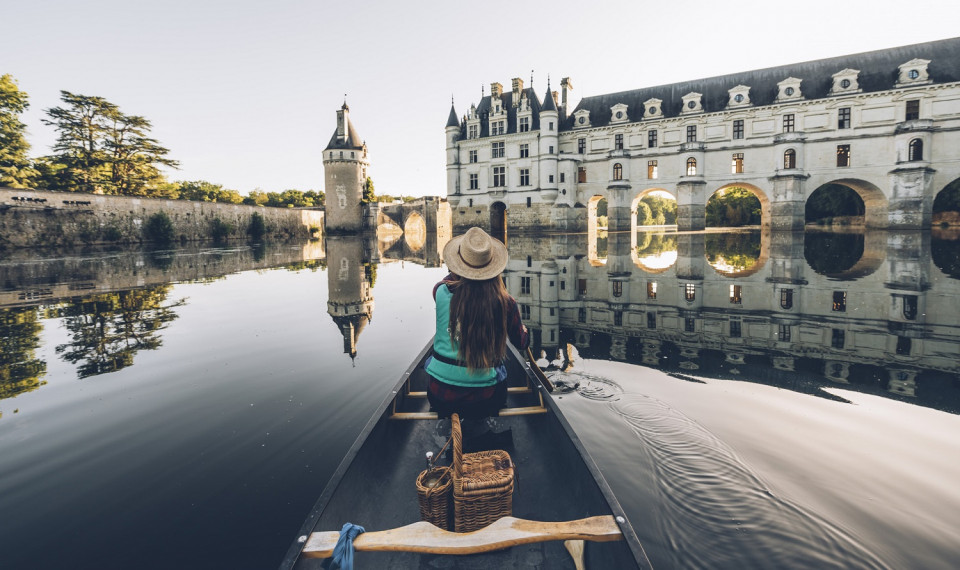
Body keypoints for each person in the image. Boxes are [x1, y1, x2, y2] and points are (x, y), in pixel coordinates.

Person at [425, 226, 529, 419]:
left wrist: (458, 269)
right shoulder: (506, 303)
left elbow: (450, 284)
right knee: (498, 376)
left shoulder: (439, 290)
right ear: (493, 267)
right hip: (485, 401)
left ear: (456, 266)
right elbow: (521, 343)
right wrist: (524, 331)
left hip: (439, 397)